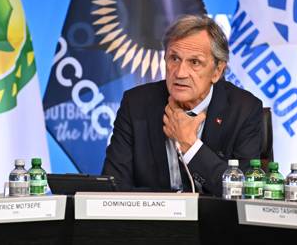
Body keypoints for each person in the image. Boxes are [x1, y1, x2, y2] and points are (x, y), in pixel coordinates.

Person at [102, 15, 264, 195]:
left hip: (215, 221)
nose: (180, 73)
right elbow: (115, 186)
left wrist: (190, 144)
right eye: (174, 59)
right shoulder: (136, 105)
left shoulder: (244, 110)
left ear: (217, 71)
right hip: (153, 220)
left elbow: (243, 191)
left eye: (194, 62)